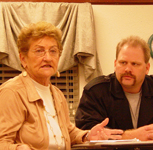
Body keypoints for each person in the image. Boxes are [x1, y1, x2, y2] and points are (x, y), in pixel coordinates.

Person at [0, 21, 123, 150]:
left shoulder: (57, 94)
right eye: (39, 51)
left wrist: (87, 136)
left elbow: (67, 132)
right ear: (23, 59)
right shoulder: (12, 92)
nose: (47, 58)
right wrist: (19, 148)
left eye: (53, 51)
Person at [75, 35, 153, 141]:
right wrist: (132, 136)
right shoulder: (96, 91)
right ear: (115, 64)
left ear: (147, 68)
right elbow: (85, 132)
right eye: (123, 63)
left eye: (135, 64)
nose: (127, 69)